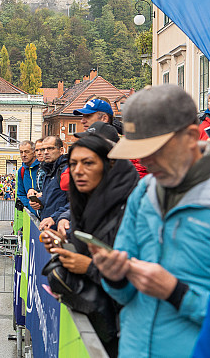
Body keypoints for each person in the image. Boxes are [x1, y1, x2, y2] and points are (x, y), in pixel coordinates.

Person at [90, 85, 210, 357]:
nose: (145, 161)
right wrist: (114, 277)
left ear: (189, 136)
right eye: (139, 151)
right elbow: (125, 295)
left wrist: (178, 294)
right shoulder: (145, 190)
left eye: (155, 150)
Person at [40, 134, 139, 356]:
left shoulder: (130, 206)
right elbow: (88, 245)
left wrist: (88, 267)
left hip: (129, 327)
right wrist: (62, 243)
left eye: (88, 163)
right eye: (73, 164)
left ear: (109, 165)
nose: (78, 170)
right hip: (107, 322)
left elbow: (136, 274)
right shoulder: (86, 202)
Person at [31, 136, 69, 230]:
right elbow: (53, 199)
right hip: (48, 229)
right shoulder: (48, 171)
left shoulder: (66, 170)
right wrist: (39, 203)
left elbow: (75, 203)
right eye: (43, 149)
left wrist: (54, 218)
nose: (46, 152)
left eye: (50, 148)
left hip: (62, 230)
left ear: (61, 150)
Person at [17, 140, 40, 216]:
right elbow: (20, 194)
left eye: (26, 152)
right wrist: (30, 206)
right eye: (21, 152)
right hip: (32, 214)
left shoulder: (42, 167)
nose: (23, 155)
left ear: (34, 153)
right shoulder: (21, 171)